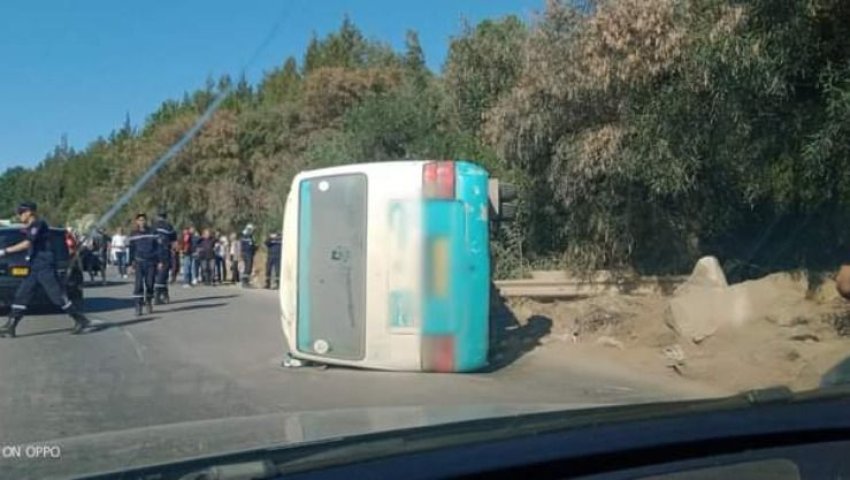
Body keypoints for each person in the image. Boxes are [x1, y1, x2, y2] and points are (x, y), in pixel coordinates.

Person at [0, 202, 91, 337]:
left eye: (21, 213)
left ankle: (81, 320)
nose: (19, 216)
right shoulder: (30, 226)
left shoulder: (39, 224)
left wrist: (5, 251)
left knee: (57, 296)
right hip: (34, 267)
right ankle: (11, 325)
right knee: (22, 295)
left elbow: (28, 243)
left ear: (29, 212)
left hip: (44, 266)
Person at [128, 213, 160, 316]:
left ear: (146, 221)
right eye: (140, 220)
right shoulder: (133, 233)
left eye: (143, 220)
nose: (142, 222)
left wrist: (159, 261)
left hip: (151, 262)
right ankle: (138, 305)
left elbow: (158, 247)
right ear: (137, 222)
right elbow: (131, 249)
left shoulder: (153, 232)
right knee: (138, 284)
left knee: (150, 283)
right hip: (139, 262)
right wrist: (130, 264)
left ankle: (148, 301)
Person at [153, 210, 177, 305]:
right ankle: (158, 296)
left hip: (153, 253)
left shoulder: (153, 226)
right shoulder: (169, 226)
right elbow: (174, 240)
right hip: (164, 252)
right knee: (163, 275)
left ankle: (163, 294)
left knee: (158, 275)